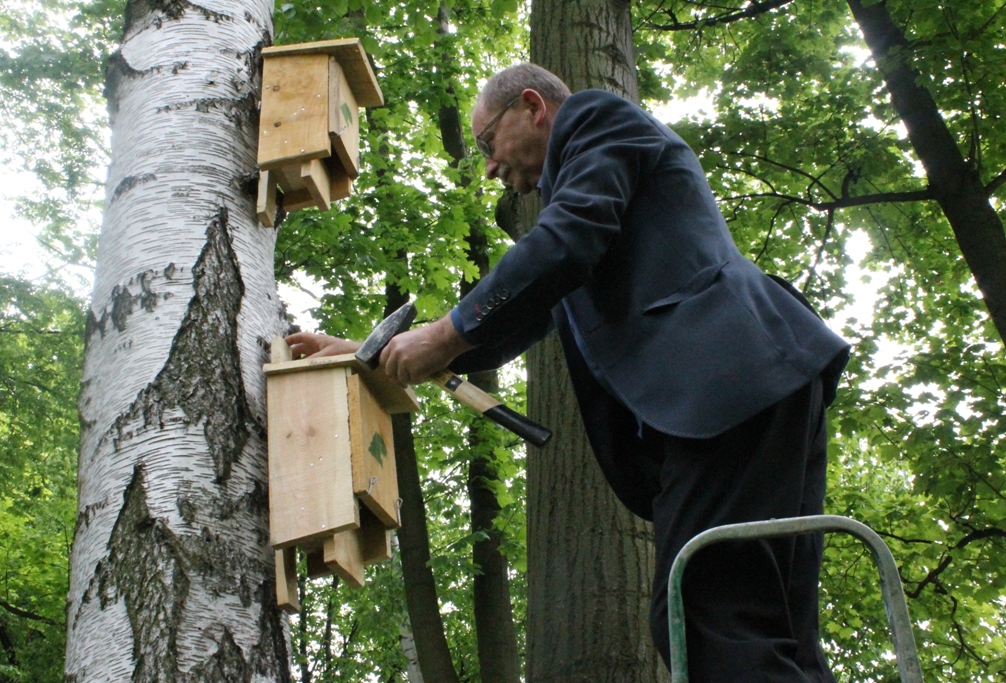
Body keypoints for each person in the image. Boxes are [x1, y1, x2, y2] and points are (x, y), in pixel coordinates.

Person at [286, 64, 850, 681]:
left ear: (533, 107)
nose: (491, 168)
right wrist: (369, 353)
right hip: (754, 380)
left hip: (725, 381)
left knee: (702, 614)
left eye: (488, 144)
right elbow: (529, 310)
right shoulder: (590, 218)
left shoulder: (593, 119)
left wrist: (446, 333)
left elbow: (561, 245)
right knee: (770, 628)